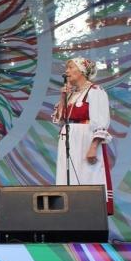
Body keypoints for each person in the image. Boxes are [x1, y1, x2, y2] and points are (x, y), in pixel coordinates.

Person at [53, 57, 114, 215]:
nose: (67, 71)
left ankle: (90, 213)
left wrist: (93, 147)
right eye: (67, 68)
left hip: (85, 139)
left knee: (87, 175)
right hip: (68, 139)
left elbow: (101, 120)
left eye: (70, 67)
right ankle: (70, 212)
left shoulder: (95, 91)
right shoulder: (71, 94)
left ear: (81, 71)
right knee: (68, 177)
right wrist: (63, 96)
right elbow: (59, 119)